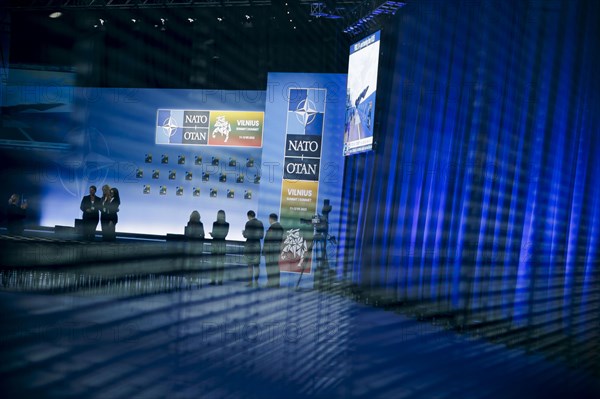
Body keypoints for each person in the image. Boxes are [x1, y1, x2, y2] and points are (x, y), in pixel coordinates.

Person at [242, 210, 264, 287]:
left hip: (249, 246)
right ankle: (256, 282)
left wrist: (244, 233)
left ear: (248, 216)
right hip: (257, 246)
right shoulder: (260, 223)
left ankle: (250, 282)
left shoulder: (248, 223)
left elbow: (246, 235)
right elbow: (261, 236)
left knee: (250, 266)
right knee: (257, 266)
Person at [263, 213, 284, 288]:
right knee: (275, 267)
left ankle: (270, 283)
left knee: (269, 267)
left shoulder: (273, 227)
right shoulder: (280, 227)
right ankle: (276, 283)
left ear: (271, 219)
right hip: (275, 250)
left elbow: (269, 240)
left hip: (270, 250)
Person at [209, 210, 229, 285]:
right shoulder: (227, 224)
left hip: (215, 244)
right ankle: (220, 281)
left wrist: (213, 234)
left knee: (213, 264)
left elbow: (215, 233)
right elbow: (224, 235)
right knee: (221, 264)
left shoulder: (215, 223)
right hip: (222, 244)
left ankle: (213, 281)